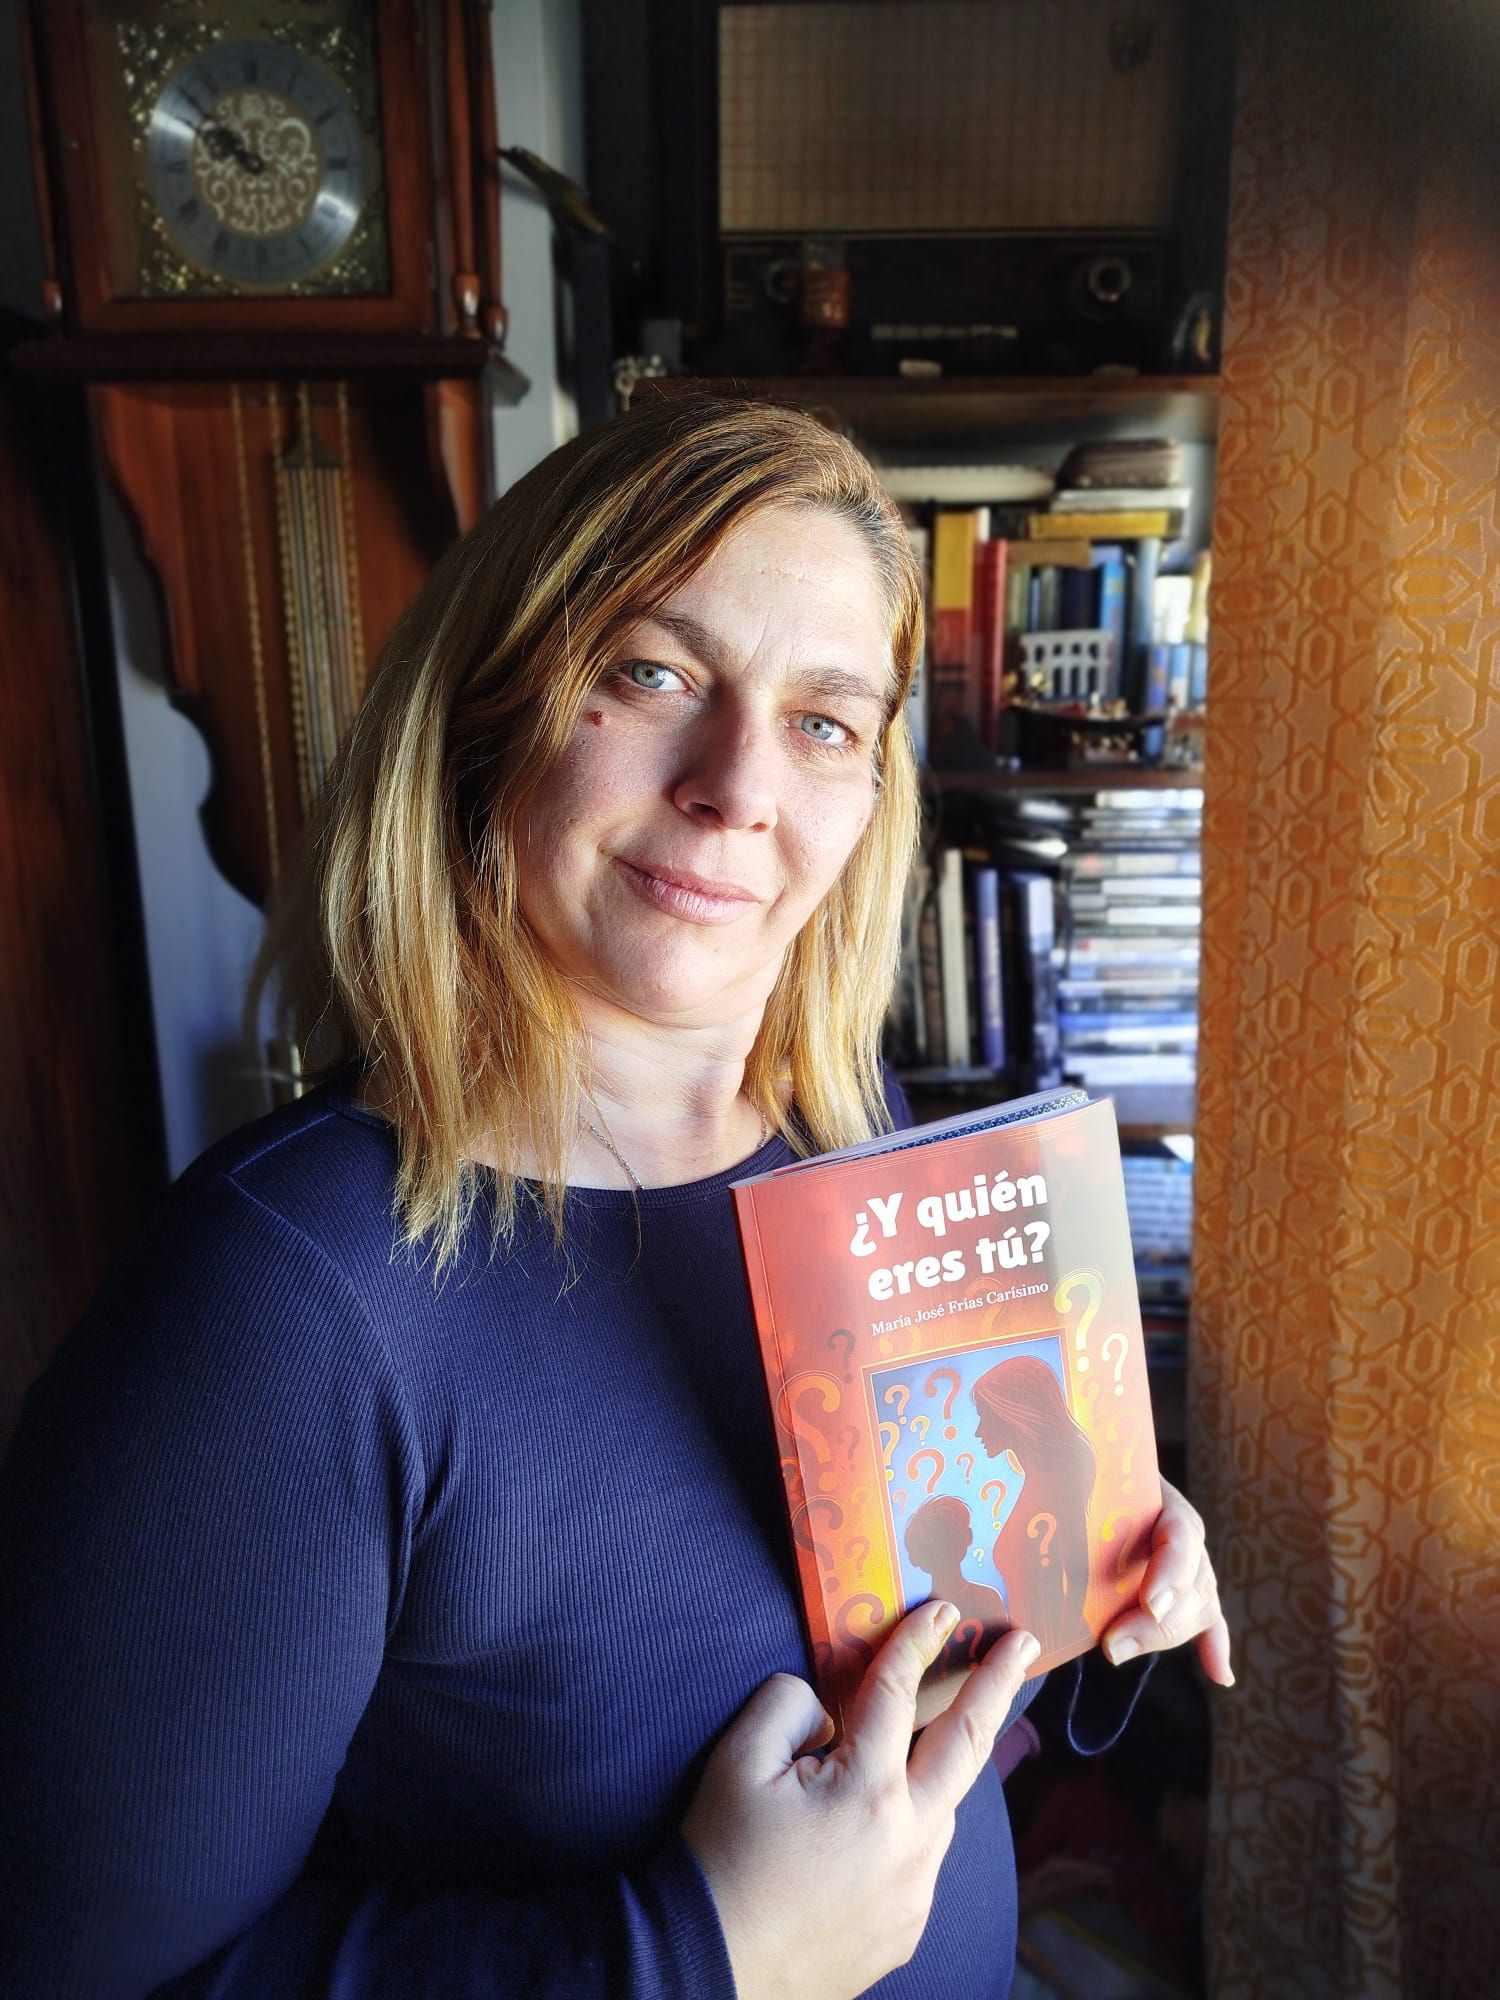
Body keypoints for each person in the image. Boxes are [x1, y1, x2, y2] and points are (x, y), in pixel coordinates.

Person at [0, 395, 1232, 2000]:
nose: (738, 785)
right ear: (489, 706)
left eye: (826, 721)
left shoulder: (855, 1147)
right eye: (653, 673)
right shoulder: (283, 1299)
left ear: (872, 799)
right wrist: (698, 1951)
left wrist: (1096, 1565)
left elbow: (905, 1690)